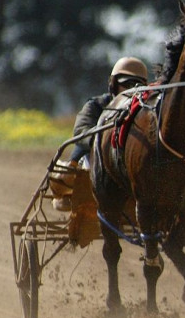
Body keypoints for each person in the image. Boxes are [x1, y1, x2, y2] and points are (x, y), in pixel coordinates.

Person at [51, 57, 148, 211]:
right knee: (85, 144)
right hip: (98, 166)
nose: (131, 90)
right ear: (114, 84)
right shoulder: (96, 105)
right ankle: (68, 183)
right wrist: (105, 144)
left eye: (137, 85)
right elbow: (81, 131)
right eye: (127, 84)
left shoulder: (146, 112)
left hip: (132, 168)